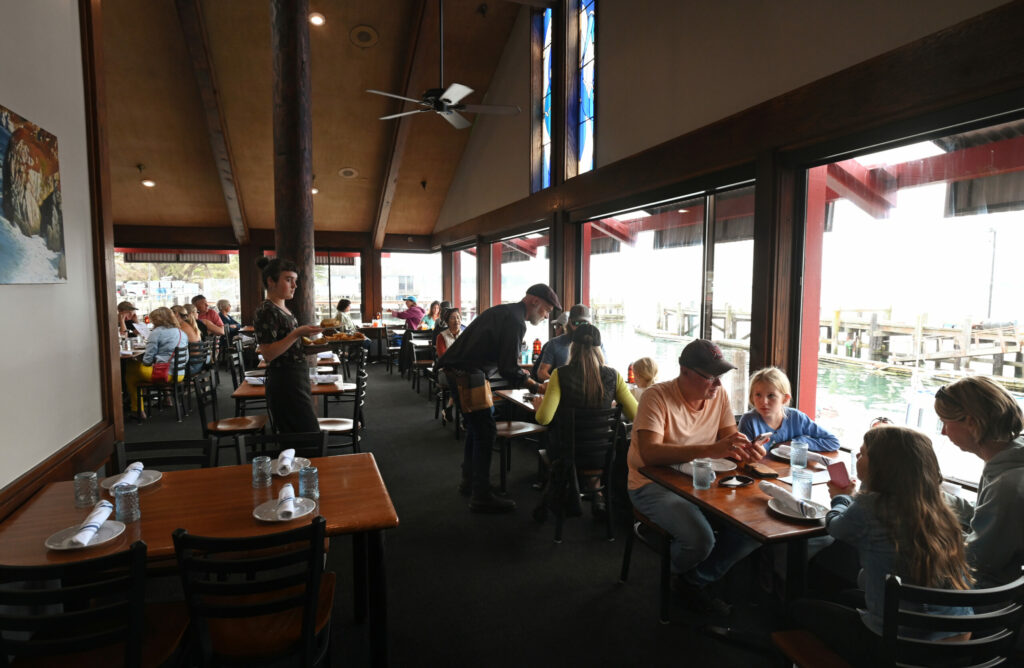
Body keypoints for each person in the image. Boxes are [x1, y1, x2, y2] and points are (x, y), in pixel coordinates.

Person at [792, 426, 973, 665]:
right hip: (957, 638)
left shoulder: (870, 507)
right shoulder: (937, 504)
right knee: (846, 596)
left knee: (798, 608)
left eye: (863, 453)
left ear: (881, 466)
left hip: (902, 647)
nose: (858, 456)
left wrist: (841, 497)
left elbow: (835, 526)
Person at [627, 339, 765, 613]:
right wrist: (712, 449)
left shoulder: (719, 396)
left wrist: (747, 450)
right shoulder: (656, 397)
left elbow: (730, 440)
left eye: (720, 376)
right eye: (710, 377)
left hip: (700, 481)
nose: (718, 384)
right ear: (684, 371)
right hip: (651, 484)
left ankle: (693, 579)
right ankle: (677, 575)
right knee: (700, 540)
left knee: (754, 529)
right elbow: (650, 454)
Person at [437, 283, 561, 513]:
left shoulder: (505, 311)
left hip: (458, 371)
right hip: (468, 373)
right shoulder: (515, 321)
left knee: (477, 429)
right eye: (546, 310)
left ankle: (471, 482)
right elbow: (508, 368)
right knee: (485, 431)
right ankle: (480, 495)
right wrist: (537, 387)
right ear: (534, 301)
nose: (546, 316)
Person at [533, 324, 638, 517]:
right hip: (604, 456)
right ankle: (597, 494)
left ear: (572, 347)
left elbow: (544, 419)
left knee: (553, 440)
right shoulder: (614, 376)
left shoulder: (559, 374)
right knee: (593, 444)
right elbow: (637, 415)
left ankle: (561, 494)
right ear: (599, 349)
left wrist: (538, 406)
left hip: (567, 455)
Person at [934, 377, 1024, 588]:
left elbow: (978, 560)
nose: (943, 432)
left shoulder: (1007, 486)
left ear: (971, 422)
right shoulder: (1006, 459)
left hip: (988, 593)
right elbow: (984, 516)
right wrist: (935, 497)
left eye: (945, 422)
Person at [253, 257, 323, 434]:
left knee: (304, 434)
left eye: (295, 280)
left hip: (296, 376)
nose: (294, 285)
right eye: (288, 280)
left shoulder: (284, 309)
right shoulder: (266, 310)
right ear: (271, 281)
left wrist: (328, 344)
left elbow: (291, 348)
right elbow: (268, 354)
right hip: (284, 380)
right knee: (305, 435)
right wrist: (297, 333)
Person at [738, 367, 840, 452]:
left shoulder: (797, 418)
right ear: (752, 397)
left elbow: (833, 442)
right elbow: (743, 455)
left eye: (771, 395)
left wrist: (796, 443)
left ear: (785, 398)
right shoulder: (748, 421)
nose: (763, 401)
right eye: (758, 395)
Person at [123, 307, 187, 417]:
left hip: (164, 375)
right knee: (137, 370)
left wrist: (139, 360)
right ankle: (165, 398)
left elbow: (147, 361)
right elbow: (186, 358)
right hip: (180, 374)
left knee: (131, 370)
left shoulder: (157, 332)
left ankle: (137, 409)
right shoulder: (181, 333)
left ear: (157, 319)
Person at [536, 304, 593, 382]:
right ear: (569, 322)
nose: (580, 326)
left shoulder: (596, 343)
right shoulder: (555, 343)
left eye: (584, 323)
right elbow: (541, 373)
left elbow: (604, 370)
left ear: (589, 323)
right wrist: (560, 385)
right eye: (576, 323)